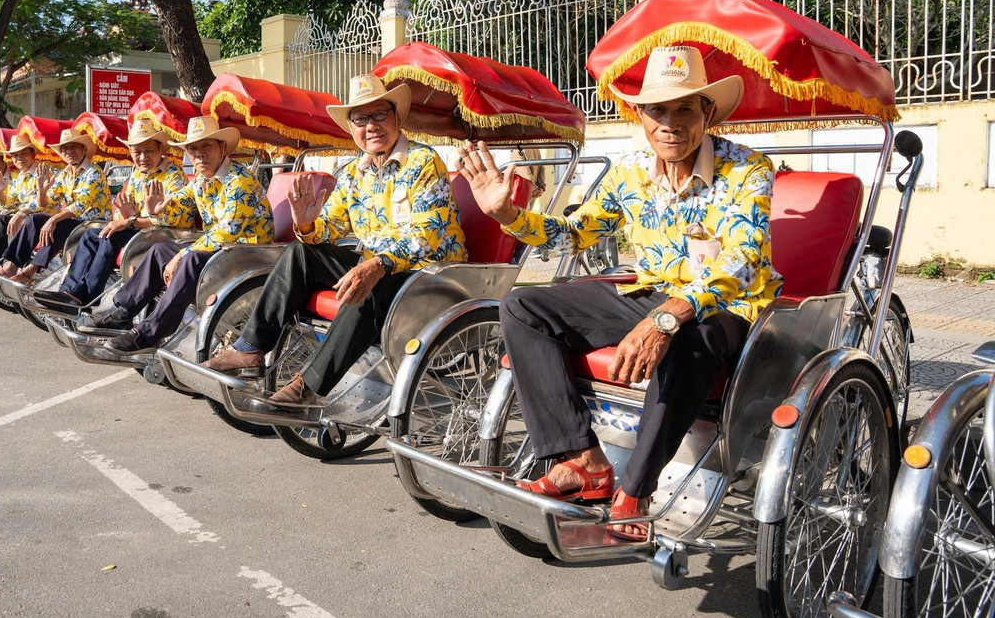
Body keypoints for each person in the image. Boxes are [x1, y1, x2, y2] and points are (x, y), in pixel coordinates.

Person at [456, 45, 781, 541]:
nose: (670, 123)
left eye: (685, 109)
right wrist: (507, 216)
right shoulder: (630, 171)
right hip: (653, 291)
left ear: (707, 112)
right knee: (523, 306)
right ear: (640, 115)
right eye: (658, 110)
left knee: (688, 341)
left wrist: (666, 320)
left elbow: (741, 259)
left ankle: (635, 488)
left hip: (727, 306)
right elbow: (572, 235)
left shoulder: (748, 169)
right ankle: (581, 459)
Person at [203, 73, 467, 407]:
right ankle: (251, 348)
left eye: (379, 115)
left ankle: (308, 387)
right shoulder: (354, 172)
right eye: (360, 118)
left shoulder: (423, 162)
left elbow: (429, 237)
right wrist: (307, 224)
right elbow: (330, 227)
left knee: (370, 283)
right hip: (377, 265)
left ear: (397, 117)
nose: (370, 126)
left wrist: (376, 264)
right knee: (300, 253)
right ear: (351, 127)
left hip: (429, 272)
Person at [91, 116, 274, 355]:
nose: (199, 154)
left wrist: (182, 254)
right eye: (193, 148)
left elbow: (227, 232)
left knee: (190, 258)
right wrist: (158, 210)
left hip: (248, 256)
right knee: (159, 250)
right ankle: (124, 312)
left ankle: (150, 333)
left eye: (206, 146)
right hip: (221, 253)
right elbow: (177, 208)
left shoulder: (240, 182)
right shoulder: (200, 181)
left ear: (223, 147)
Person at [33, 118, 195, 312]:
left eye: (148, 151)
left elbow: (169, 218)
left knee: (110, 237)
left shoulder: (173, 175)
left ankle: (87, 299)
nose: (143, 157)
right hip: (137, 227)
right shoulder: (137, 174)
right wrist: (123, 216)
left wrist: (130, 220)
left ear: (161, 149)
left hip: (164, 232)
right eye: (137, 152)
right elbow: (121, 205)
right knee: (90, 236)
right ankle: (70, 292)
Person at [0, 129, 109, 283]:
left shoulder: (94, 172)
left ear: (84, 149)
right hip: (73, 222)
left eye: (74, 147)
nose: (69, 151)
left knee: (59, 224)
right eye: (65, 148)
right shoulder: (64, 174)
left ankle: (30, 271)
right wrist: (40, 191)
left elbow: (81, 205)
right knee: (34, 219)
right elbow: (44, 203)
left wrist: (53, 220)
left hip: (93, 224)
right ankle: (12, 265)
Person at [0, 132, 53, 267]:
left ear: (33, 154)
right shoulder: (20, 177)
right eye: (15, 155)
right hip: (24, 216)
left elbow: (42, 203)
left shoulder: (43, 171)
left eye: (23, 154)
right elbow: (9, 204)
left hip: (40, 217)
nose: (19, 158)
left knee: (1, 220)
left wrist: (21, 213)